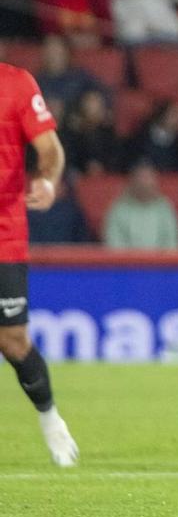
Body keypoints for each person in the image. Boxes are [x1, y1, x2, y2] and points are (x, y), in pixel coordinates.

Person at [0, 60, 77, 465]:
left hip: (4, 234)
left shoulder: (15, 83)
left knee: (12, 341)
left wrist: (47, 180)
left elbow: (49, 149)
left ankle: (50, 419)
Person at [102, 162, 178, 249]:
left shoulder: (165, 208)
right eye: (141, 180)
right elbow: (114, 245)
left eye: (149, 180)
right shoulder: (117, 209)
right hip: (125, 261)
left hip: (161, 261)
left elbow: (172, 243)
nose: (145, 185)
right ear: (132, 182)